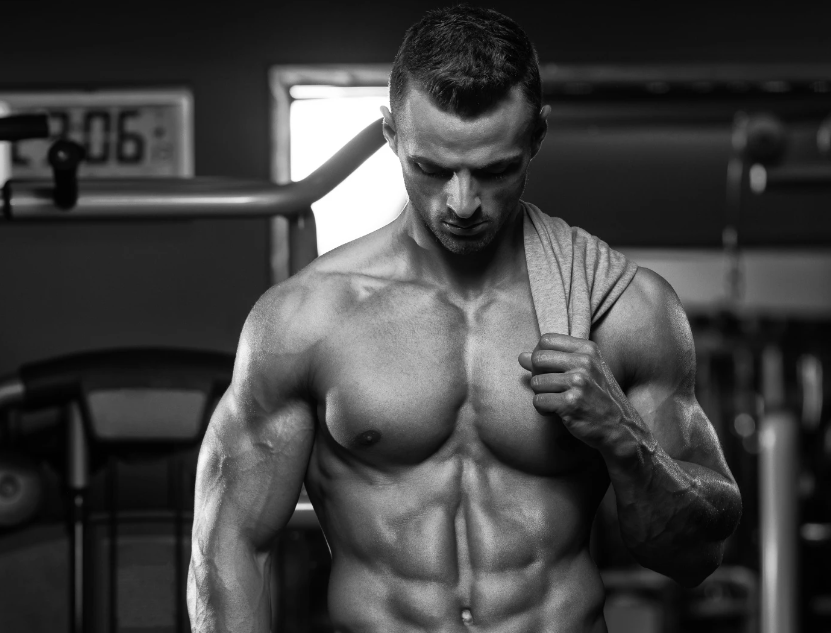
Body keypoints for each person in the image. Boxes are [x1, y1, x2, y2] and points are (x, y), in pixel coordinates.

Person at [188, 5, 742, 631]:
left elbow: (698, 553)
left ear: (537, 136)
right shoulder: (308, 318)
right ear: (392, 134)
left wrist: (624, 436)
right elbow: (228, 544)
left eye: (494, 170)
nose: (462, 203)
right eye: (431, 168)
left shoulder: (619, 309)